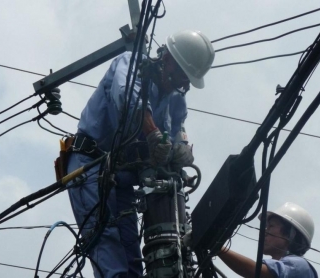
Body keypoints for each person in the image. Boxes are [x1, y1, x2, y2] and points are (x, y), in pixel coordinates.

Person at [66, 30, 215, 278]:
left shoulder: (176, 99)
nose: (183, 84)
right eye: (181, 75)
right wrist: (153, 133)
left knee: (132, 259)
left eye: (188, 80)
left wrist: (180, 152)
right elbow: (127, 99)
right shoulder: (131, 62)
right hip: (90, 165)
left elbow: (177, 133)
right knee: (107, 245)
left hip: (121, 178)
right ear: (166, 58)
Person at [218, 202, 318, 278]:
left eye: (271, 226)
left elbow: (257, 272)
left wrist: (217, 247)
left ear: (290, 235)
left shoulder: (299, 266)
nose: (264, 232)